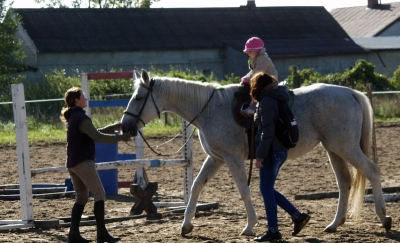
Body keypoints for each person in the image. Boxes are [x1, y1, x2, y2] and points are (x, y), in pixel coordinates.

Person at [60, 87, 132, 243]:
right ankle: (102, 234)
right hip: (83, 162)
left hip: (72, 163)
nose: (86, 98)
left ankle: (73, 234)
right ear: (76, 100)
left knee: (82, 197)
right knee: (99, 193)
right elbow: (98, 137)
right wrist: (122, 138)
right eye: (83, 96)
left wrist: (113, 127)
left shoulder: (74, 116)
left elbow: (93, 132)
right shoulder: (81, 118)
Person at [250, 73, 310, 242]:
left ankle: (274, 230)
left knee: (266, 189)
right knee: (266, 189)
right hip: (279, 151)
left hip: (271, 152)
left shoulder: (267, 101)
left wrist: (259, 156)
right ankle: (297, 216)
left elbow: (267, 132)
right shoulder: (277, 97)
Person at [240, 37, 278, 118]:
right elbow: (253, 71)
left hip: (269, 82)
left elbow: (257, 73)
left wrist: (248, 79)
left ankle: (252, 108)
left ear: (257, 51)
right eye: (247, 51)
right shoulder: (255, 58)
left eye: (250, 51)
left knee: (256, 90)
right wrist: (246, 77)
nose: (248, 53)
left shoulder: (263, 59)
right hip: (262, 80)